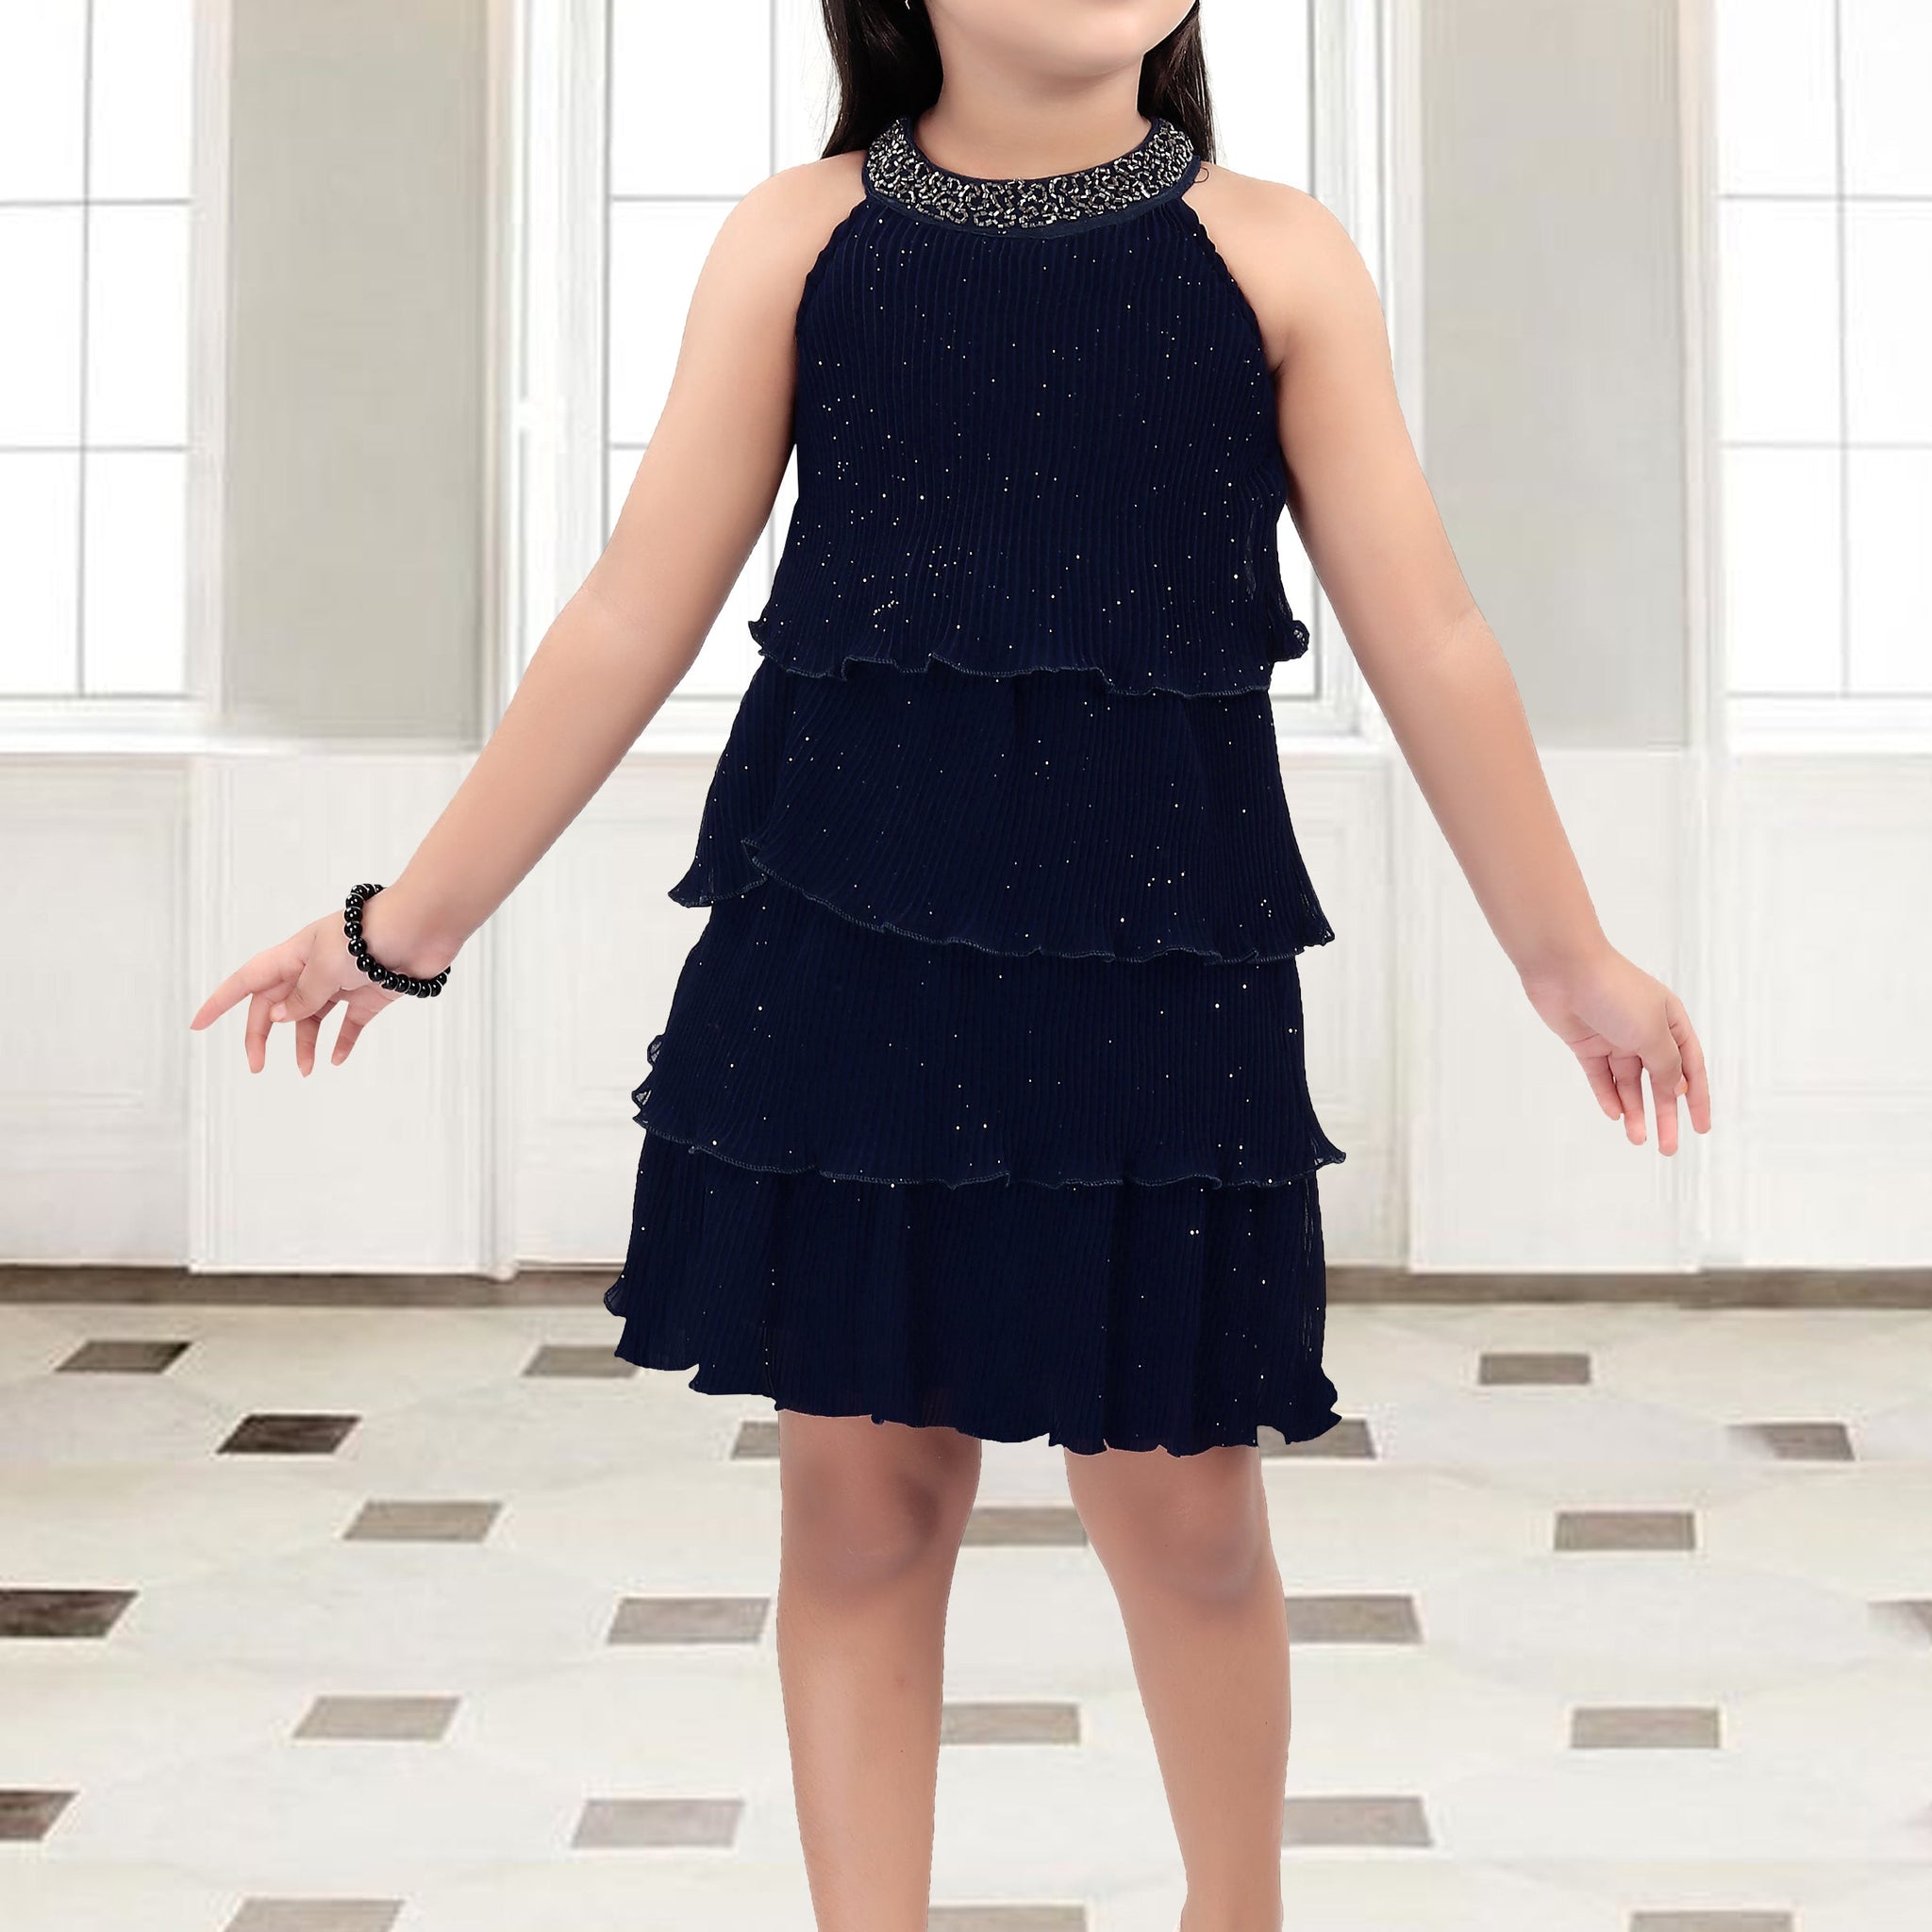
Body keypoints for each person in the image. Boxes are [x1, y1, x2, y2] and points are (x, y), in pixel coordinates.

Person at [192, 3, 1712, 1926]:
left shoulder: (1276, 254)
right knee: (860, 1504)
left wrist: (1563, 952)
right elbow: (624, 614)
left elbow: (1435, 633)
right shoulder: (792, 238)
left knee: (1181, 1501)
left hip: (1161, 968)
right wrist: (394, 930)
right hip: (842, 952)